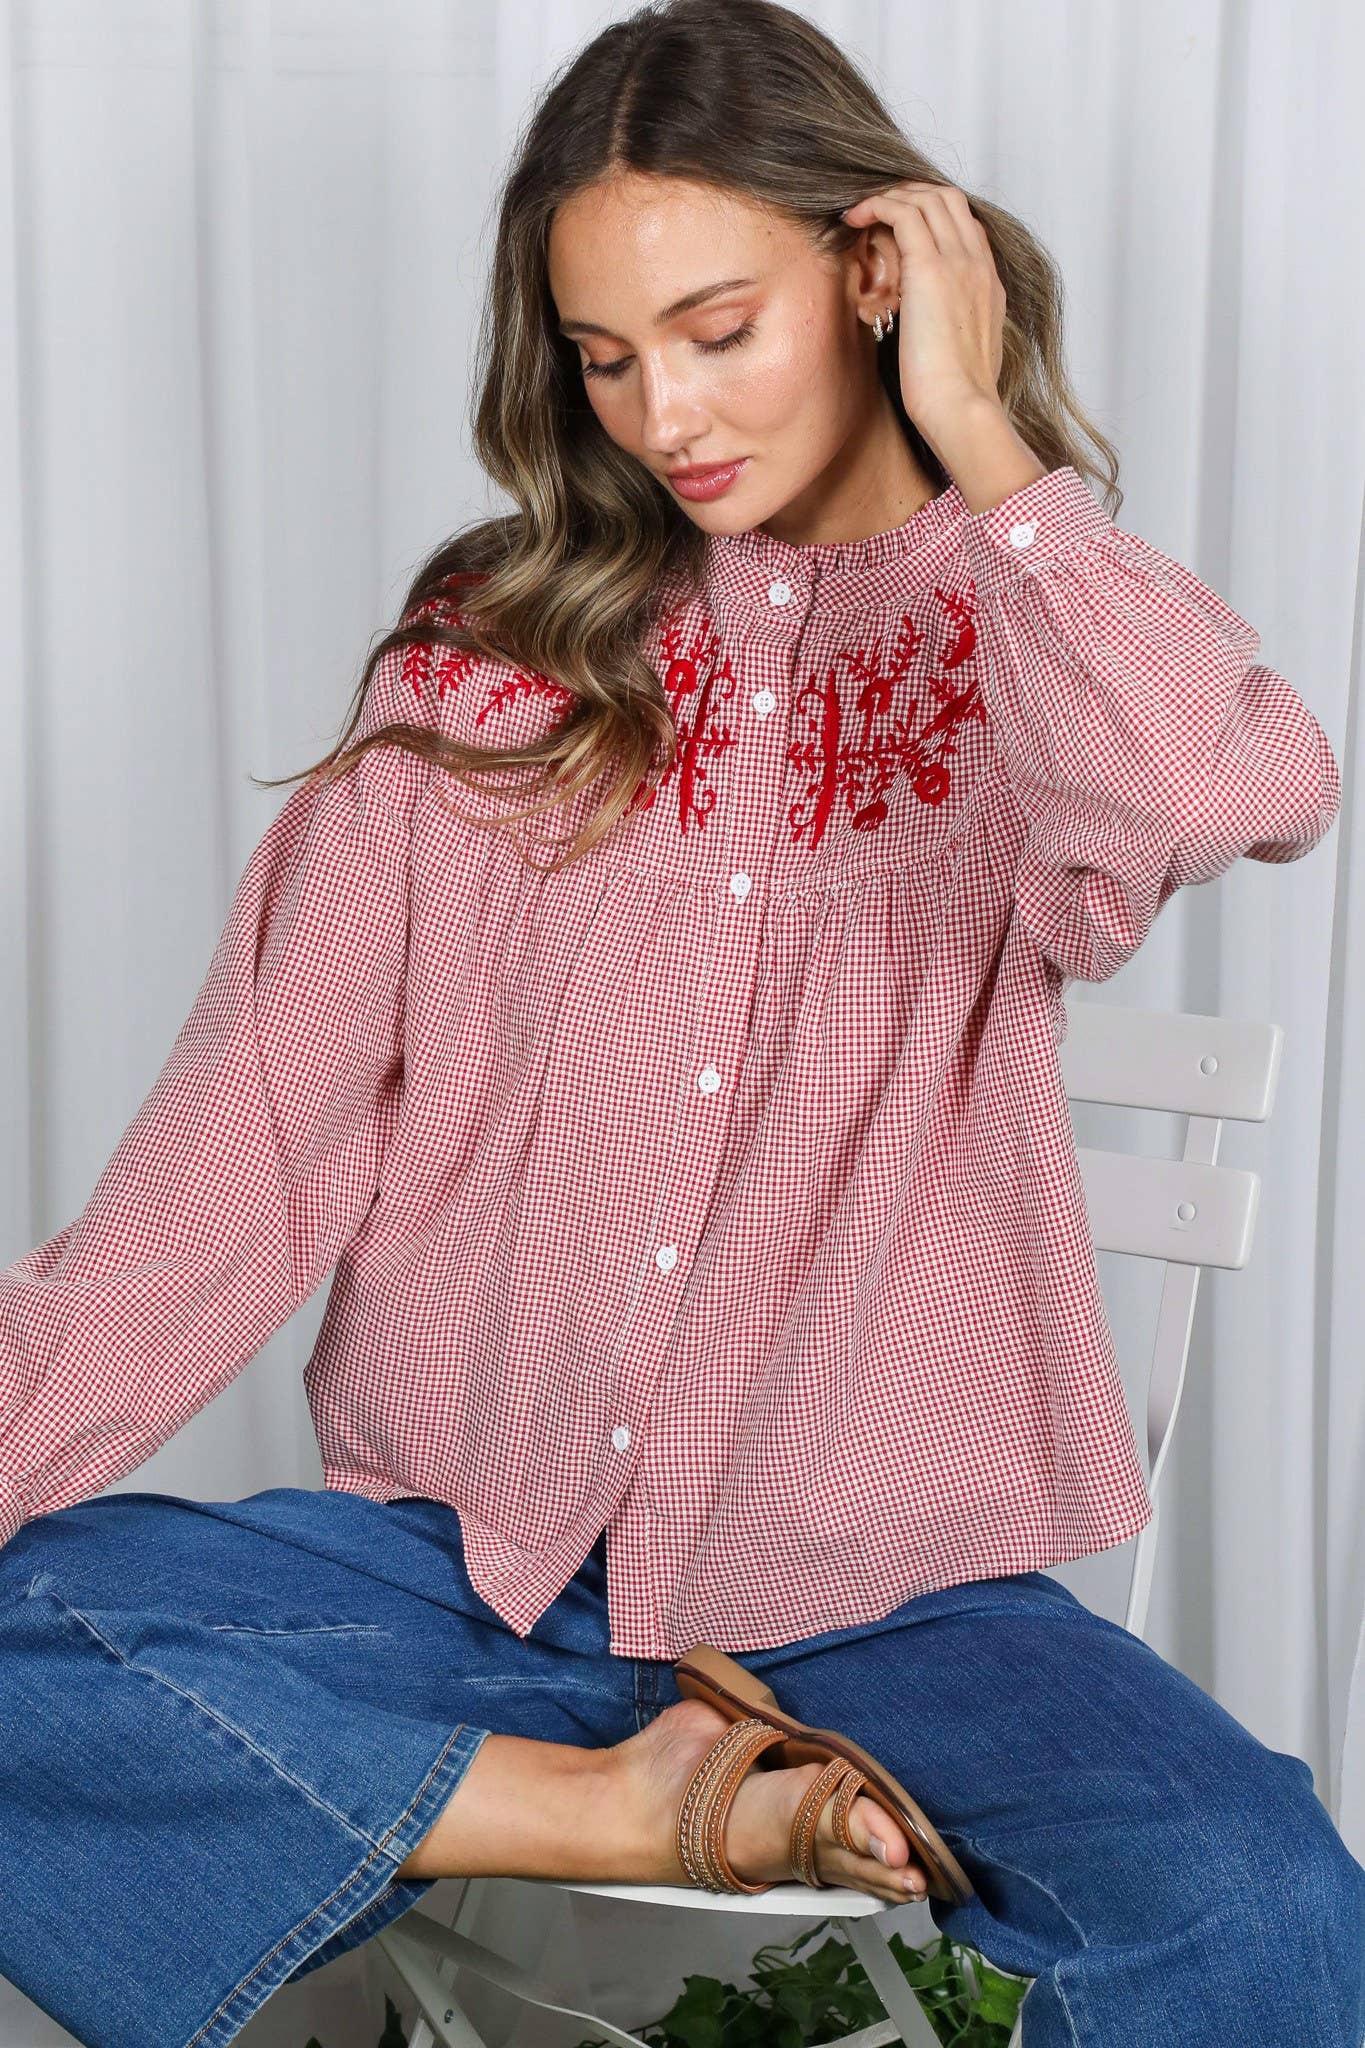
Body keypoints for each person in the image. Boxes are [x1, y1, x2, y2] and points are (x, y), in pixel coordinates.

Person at [2, 2, 1361, 2044]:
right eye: (607, 356)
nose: (664, 413)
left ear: (875, 269)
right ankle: (612, 1807)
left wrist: (983, 442)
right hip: (459, 1570)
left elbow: (1231, 787)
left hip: (889, 1611)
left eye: (719, 330)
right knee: (27, 1628)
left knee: (1261, 1899)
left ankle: (610, 1790)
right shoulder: (497, 652)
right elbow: (233, 1169)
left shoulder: (1024, 648)